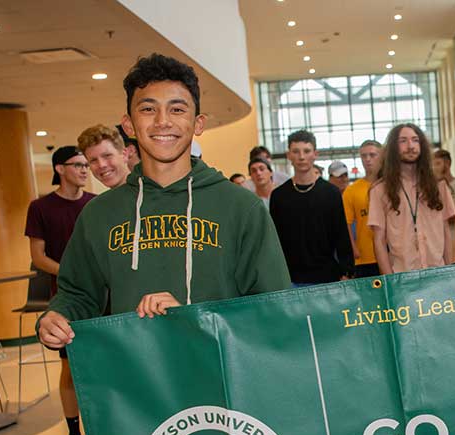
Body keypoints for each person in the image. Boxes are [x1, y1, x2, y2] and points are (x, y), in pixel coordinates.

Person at [37, 54, 289, 349]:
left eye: (177, 109)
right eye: (147, 109)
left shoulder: (241, 207)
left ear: (198, 123)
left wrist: (193, 317)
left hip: (221, 377)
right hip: (136, 378)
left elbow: (273, 307)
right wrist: (57, 316)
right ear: (129, 126)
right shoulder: (99, 214)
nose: (162, 121)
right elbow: (78, 294)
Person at [25, 146, 95, 435]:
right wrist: (71, 272)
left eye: (86, 164)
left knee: (99, 370)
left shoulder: (96, 204)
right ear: (59, 168)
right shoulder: (41, 207)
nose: (85, 169)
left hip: (98, 299)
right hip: (66, 300)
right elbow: (37, 256)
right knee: (69, 369)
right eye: (78, 164)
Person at [269, 130, 354, 286]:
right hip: (291, 279)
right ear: (289, 155)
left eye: (306, 151)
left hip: (328, 278)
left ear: (315, 154)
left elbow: (341, 235)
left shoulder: (331, 193)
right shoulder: (279, 196)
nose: (301, 157)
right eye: (296, 151)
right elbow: (274, 241)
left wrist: (347, 271)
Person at [369, 123, 455, 274]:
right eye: (403, 141)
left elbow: (446, 232)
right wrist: (390, 281)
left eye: (415, 140)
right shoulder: (379, 190)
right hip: (403, 277)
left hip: (439, 272)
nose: (410, 146)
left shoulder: (439, 186)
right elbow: (379, 240)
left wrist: (452, 272)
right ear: (393, 148)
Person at [343, 140, 382, 277]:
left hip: (393, 253)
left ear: (382, 156)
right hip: (365, 257)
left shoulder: (391, 185)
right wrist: (353, 249)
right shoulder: (352, 190)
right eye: (364, 156)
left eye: (372, 155)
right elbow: (346, 223)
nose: (367, 159)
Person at [78, 124, 131, 189]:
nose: (101, 165)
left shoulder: (145, 193)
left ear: (124, 154)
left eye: (107, 156)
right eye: (93, 160)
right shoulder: (104, 199)